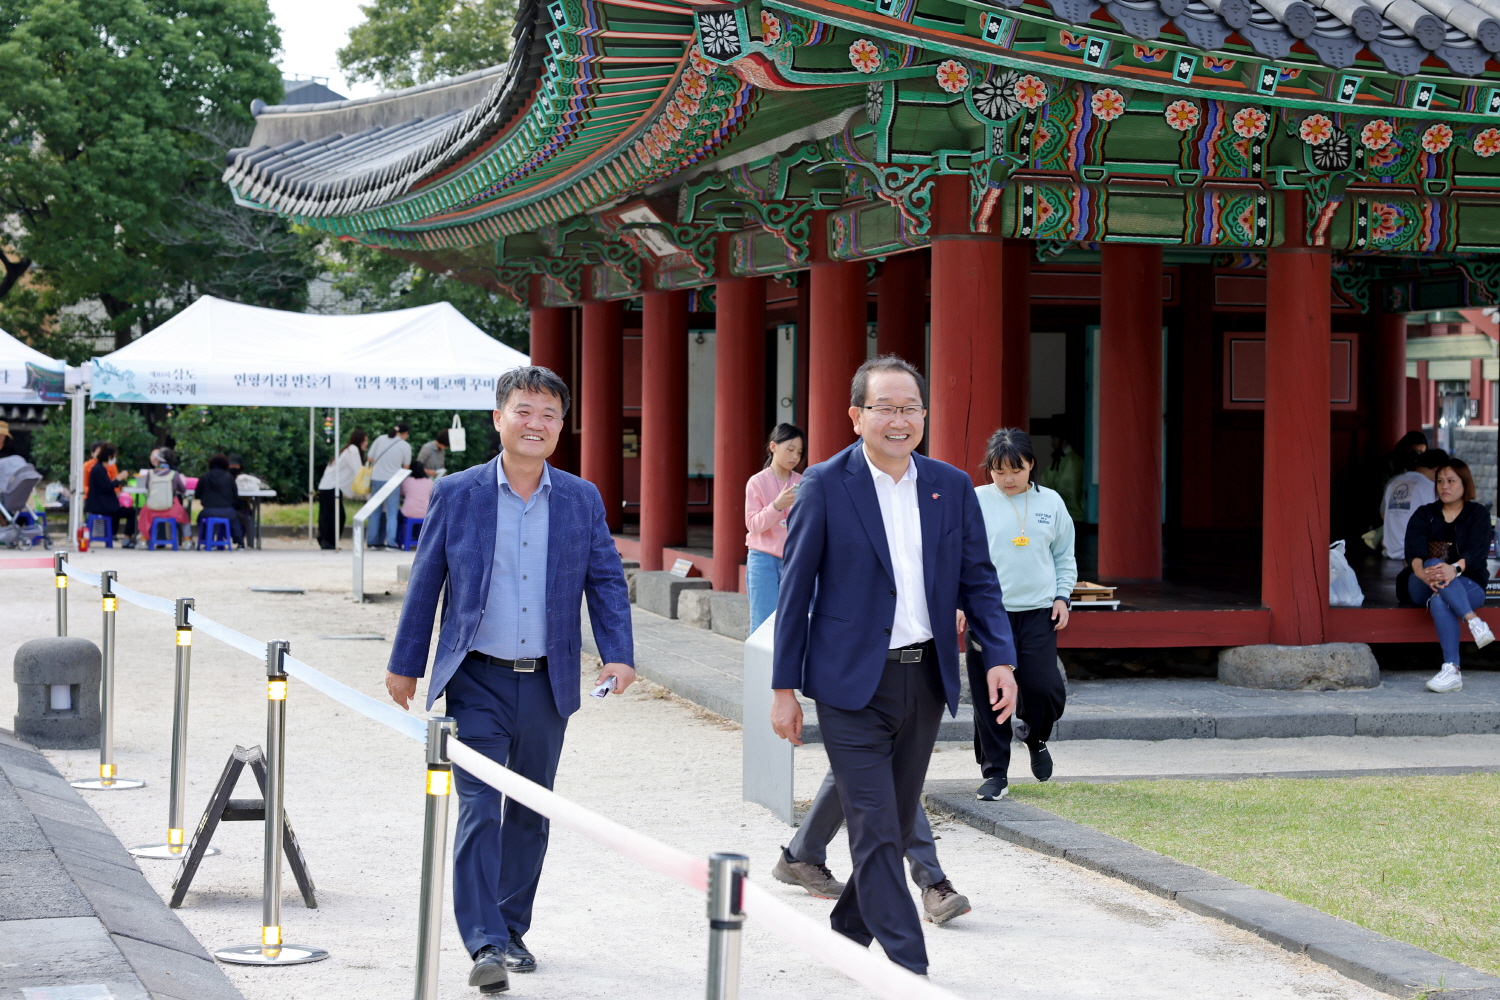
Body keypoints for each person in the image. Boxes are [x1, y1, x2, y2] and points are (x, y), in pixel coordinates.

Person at [385, 367, 635, 995]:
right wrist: (406, 662)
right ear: (498, 418)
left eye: (549, 414)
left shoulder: (580, 497)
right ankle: (485, 941)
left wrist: (617, 653)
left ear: (560, 426)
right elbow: (428, 580)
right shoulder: (460, 492)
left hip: (548, 681)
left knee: (531, 808)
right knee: (477, 807)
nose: (536, 424)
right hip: (477, 680)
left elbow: (605, 578)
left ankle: (513, 928)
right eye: (523, 410)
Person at [770, 355, 1017, 977]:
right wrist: (783, 689)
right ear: (857, 416)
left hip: (925, 678)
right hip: (851, 682)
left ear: (924, 416)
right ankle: (909, 967)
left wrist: (1001, 658)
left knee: (897, 817)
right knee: (877, 829)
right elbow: (794, 592)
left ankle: (848, 932)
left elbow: (979, 580)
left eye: (910, 408)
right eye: (884, 407)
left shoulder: (950, 485)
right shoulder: (826, 484)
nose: (898, 419)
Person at [965, 428, 1076, 801]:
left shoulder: (1052, 503)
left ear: (1031, 464)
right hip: (988, 614)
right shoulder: (976, 500)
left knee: (1044, 688)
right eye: (998, 471)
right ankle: (995, 773)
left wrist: (1063, 597)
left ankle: (1036, 735)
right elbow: (959, 557)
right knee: (990, 696)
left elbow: (1064, 556)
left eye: (1015, 469)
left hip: (1039, 613)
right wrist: (959, 602)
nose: (1007, 479)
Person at [1405, 458, 1495, 694]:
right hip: (1421, 581)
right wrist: (1422, 573)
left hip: (1469, 581)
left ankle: (1451, 670)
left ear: (1465, 484)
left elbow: (1477, 552)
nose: (1444, 486)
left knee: (1440, 599)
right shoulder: (1425, 513)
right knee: (1434, 564)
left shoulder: (1478, 514)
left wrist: (1454, 569)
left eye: (1451, 481)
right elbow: (1413, 551)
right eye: (1440, 481)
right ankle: (1473, 620)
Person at [744, 423, 805, 633]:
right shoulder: (757, 482)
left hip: (794, 560)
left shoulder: (803, 481)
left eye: (799, 452)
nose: (795, 456)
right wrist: (777, 506)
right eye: (790, 449)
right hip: (763, 560)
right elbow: (753, 525)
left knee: (791, 623)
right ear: (773, 447)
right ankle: (761, 667)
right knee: (763, 623)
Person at [1380, 449, 1444, 561]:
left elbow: (1383, 514)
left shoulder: (1394, 482)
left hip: (1391, 551)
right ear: (1437, 469)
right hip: (1417, 554)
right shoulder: (1430, 487)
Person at [318, 430, 366, 550]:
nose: (366, 444)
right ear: (359, 440)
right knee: (335, 516)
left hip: (327, 485)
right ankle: (328, 542)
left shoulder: (348, 449)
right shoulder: (353, 450)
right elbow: (358, 471)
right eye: (365, 441)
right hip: (331, 486)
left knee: (328, 515)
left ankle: (327, 541)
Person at [368, 423, 412, 549]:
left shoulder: (380, 439)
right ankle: (391, 543)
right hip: (393, 481)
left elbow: (370, 458)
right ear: (405, 433)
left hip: (376, 478)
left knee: (375, 512)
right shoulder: (405, 446)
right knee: (392, 513)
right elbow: (406, 467)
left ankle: (372, 542)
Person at [84, 444, 137, 548]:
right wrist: (119, 479)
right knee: (132, 512)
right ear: (109, 456)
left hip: (100, 504)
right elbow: (107, 487)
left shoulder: (99, 468)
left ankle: (117, 536)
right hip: (101, 506)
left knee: (125, 511)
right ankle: (127, 538)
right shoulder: (98, 469)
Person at [136, 448, 190, 543]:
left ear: (158, 459)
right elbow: (183, 490)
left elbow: (148, 487)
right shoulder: (174, 474)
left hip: (152, 509)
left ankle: (143, 540)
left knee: (143, 515)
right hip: (171, 509)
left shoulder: (151, 473)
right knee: (185, 517)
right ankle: (187, 541)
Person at [1039, 416, 1085, 521]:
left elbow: (1068, 492)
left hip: (1073, 516)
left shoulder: (1073, 461)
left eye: (1054, 439)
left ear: (1063, 440)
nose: (1052, 443)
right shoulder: (1060, 460)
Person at [194, 454, 244, 546]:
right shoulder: (229, 478)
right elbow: (235, 495)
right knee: (235, 521)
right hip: (227, 511)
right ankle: (240, 543)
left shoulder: (204, 477)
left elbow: (197, 495)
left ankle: (206, 540)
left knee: (200, 519)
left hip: (208, 511)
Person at [399, 458, 433, 530]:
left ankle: (400, 538)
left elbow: (401, 493)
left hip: (408, 511)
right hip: (425, 512)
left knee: (397, 517)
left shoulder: (407, 481)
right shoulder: (429, 482)